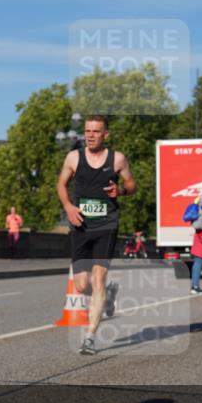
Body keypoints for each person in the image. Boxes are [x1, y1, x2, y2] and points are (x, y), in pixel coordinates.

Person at [56, 114, 136, 356]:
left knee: (98, 280)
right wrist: (69, 207)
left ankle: (89, 337)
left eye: (95, 131)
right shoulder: (74, 157)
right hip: (80, 226)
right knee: (81, 285)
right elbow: (61, 184)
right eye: (87, 131)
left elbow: (132, 185)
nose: (90, 135)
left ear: (105, 134)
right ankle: (109, 294)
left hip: (106, 225)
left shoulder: (117, 159)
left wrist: (120, 190)